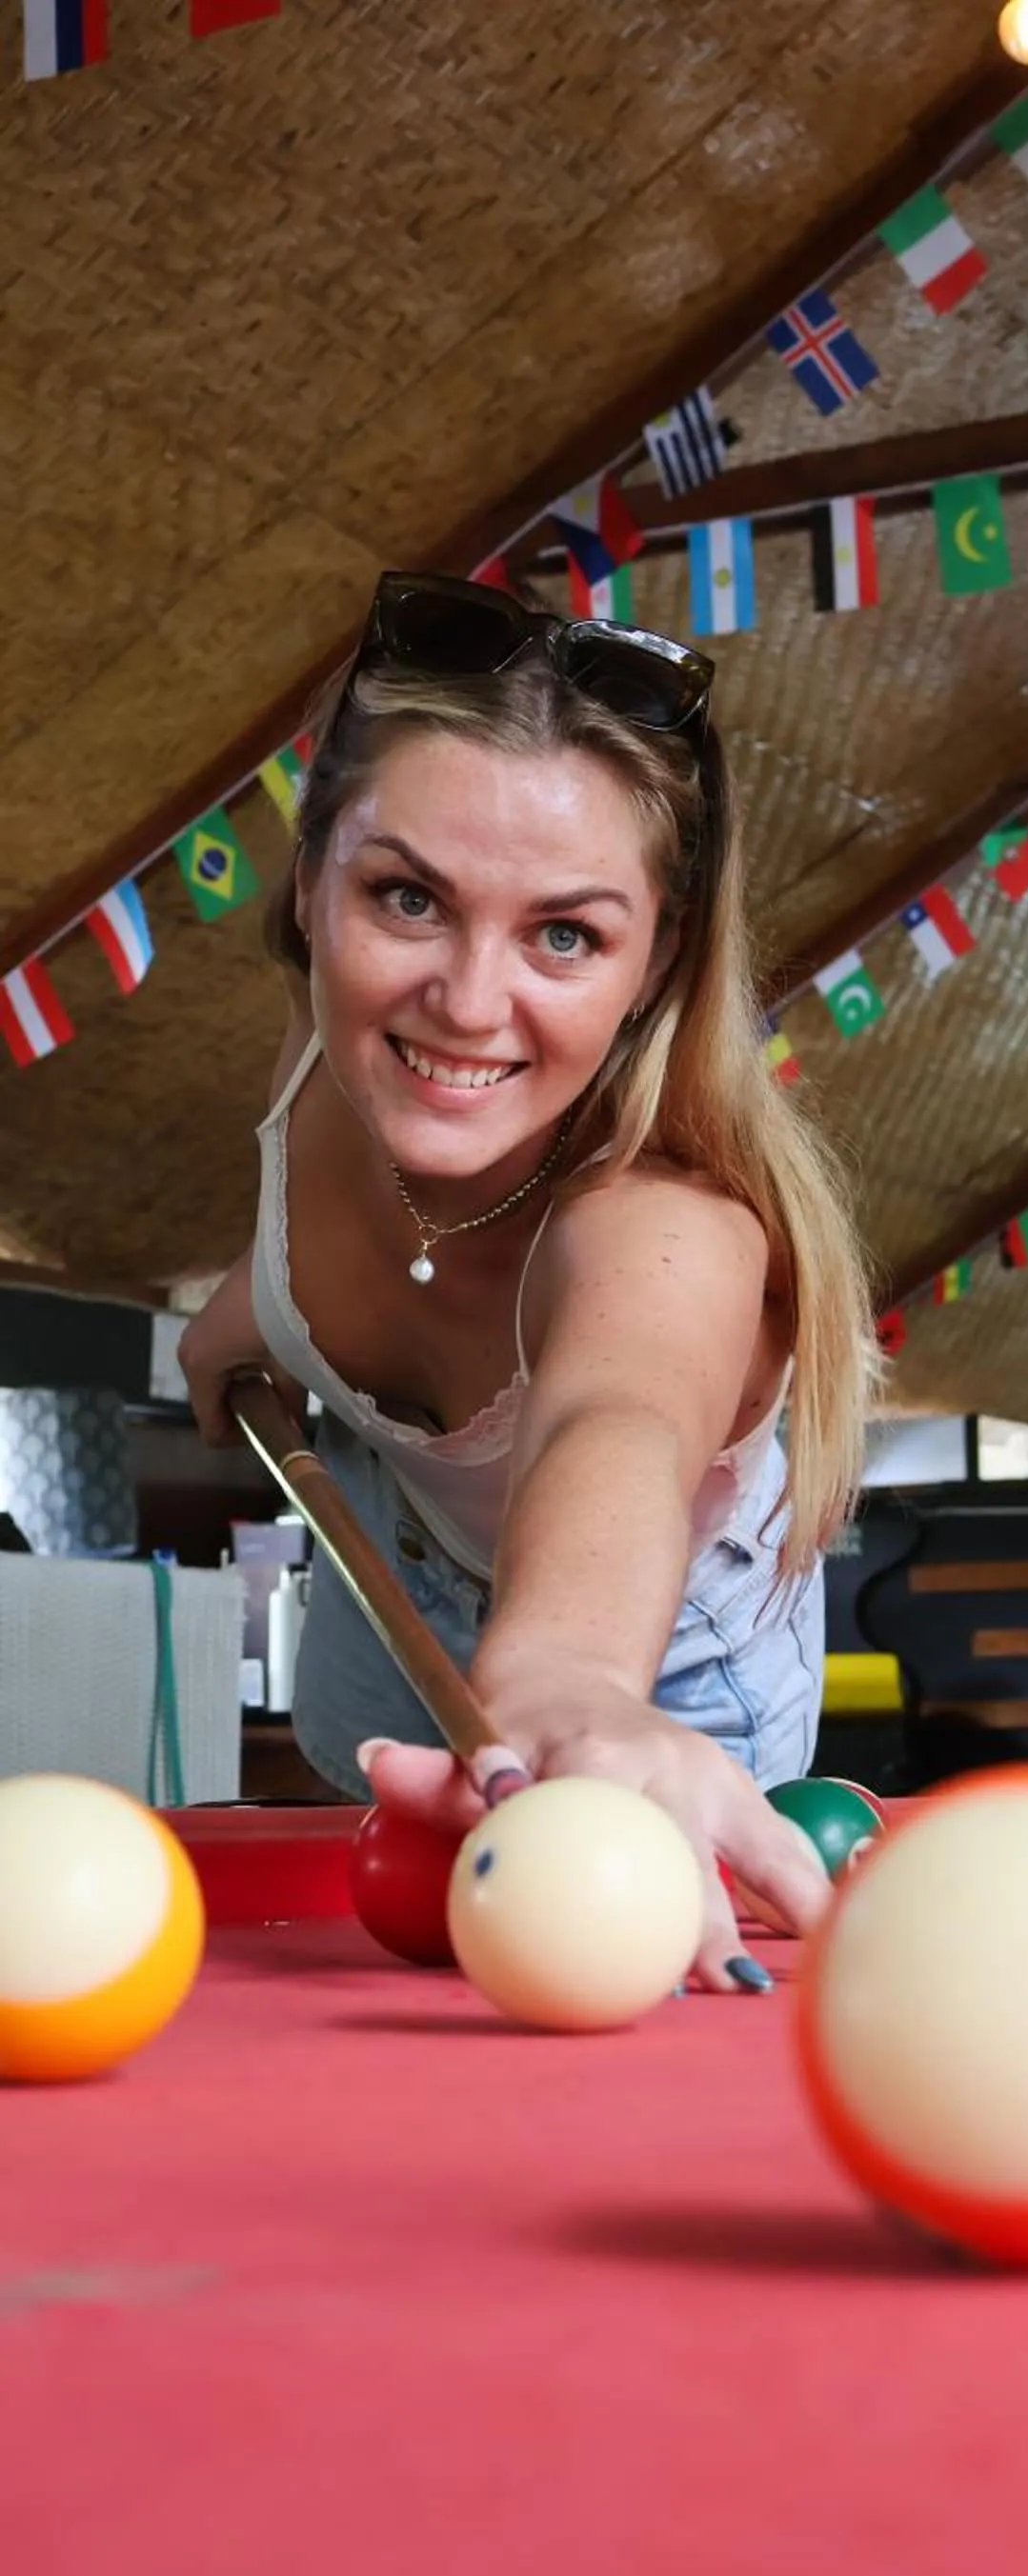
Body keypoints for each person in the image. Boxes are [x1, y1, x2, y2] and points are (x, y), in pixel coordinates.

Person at [181, 570, 872, 1987]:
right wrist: (239, 1324)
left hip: (655, 1678)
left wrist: (567, 1672)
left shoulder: (669, 1224)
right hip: (386, 1571)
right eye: (407, 897)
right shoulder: (326, 1065)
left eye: (565, 933)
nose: (467, 1002)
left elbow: (614, 1418)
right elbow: (324, 1255)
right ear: (312, 884)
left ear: (656, 959)